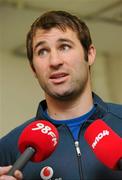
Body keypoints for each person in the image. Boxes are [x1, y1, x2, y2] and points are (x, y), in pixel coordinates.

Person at [0, 10, 122, 180]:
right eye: (42, 51)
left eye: (64, 47)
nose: (54, 61)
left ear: (90, 54)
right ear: (33, 68)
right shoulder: (8, 149)